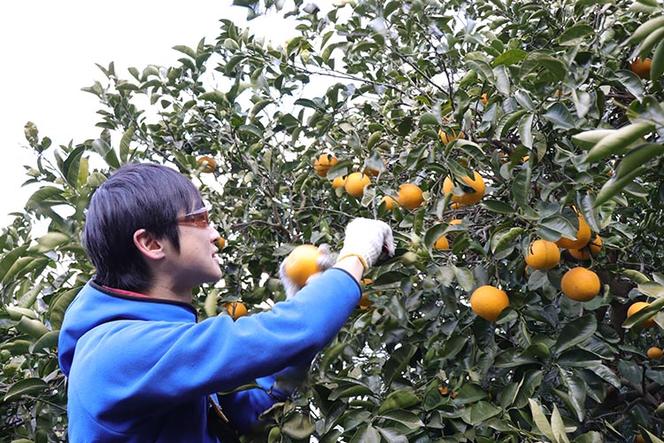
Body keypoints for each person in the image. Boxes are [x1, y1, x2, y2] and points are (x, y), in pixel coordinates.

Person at [57, 163, 394, 442]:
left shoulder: (159, 348)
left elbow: (255, 410)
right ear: (151, 243)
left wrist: (299, 311)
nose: (215, 234)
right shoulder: (116, 353)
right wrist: (354, 258)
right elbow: (295, 329)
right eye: (200, 219)